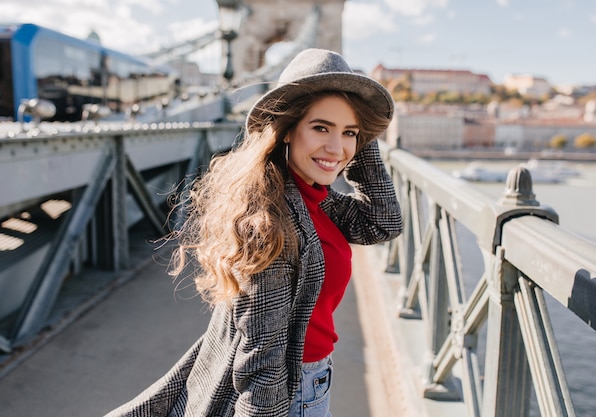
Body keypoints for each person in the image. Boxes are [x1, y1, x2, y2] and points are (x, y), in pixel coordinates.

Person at [105, 48, 402, 417]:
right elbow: (264, 362)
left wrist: (358, 132)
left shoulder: (314, 197)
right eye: (321, 127)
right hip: (294, 392)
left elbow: (382, 222)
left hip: (313, 378)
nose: (335, 146)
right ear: (288, 130)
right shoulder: (269, 222)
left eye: (349, 133)